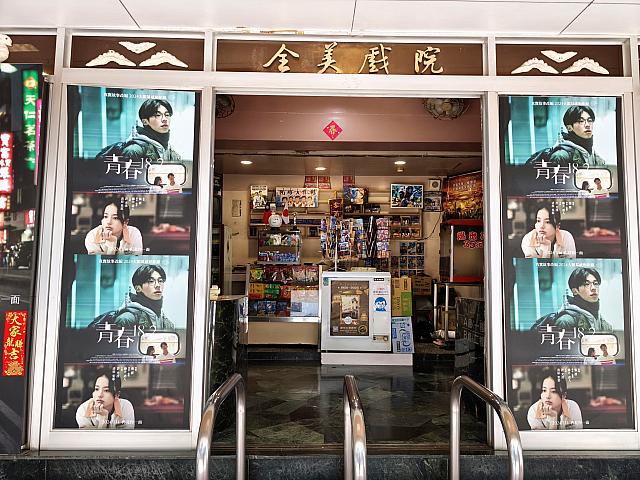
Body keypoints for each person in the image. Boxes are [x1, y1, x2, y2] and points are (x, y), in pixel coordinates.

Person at [531, 267, 613, 333]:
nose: (593, 288)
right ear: (575, 291)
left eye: (595, 283)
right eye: (586, 284)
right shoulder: (566, 321)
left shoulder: (602, 322)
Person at [111, 264, 175, 330]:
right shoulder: (126, 319)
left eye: (160, 281)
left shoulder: (167, 323)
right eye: (151, 281)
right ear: (138, 288)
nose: (158, 285)